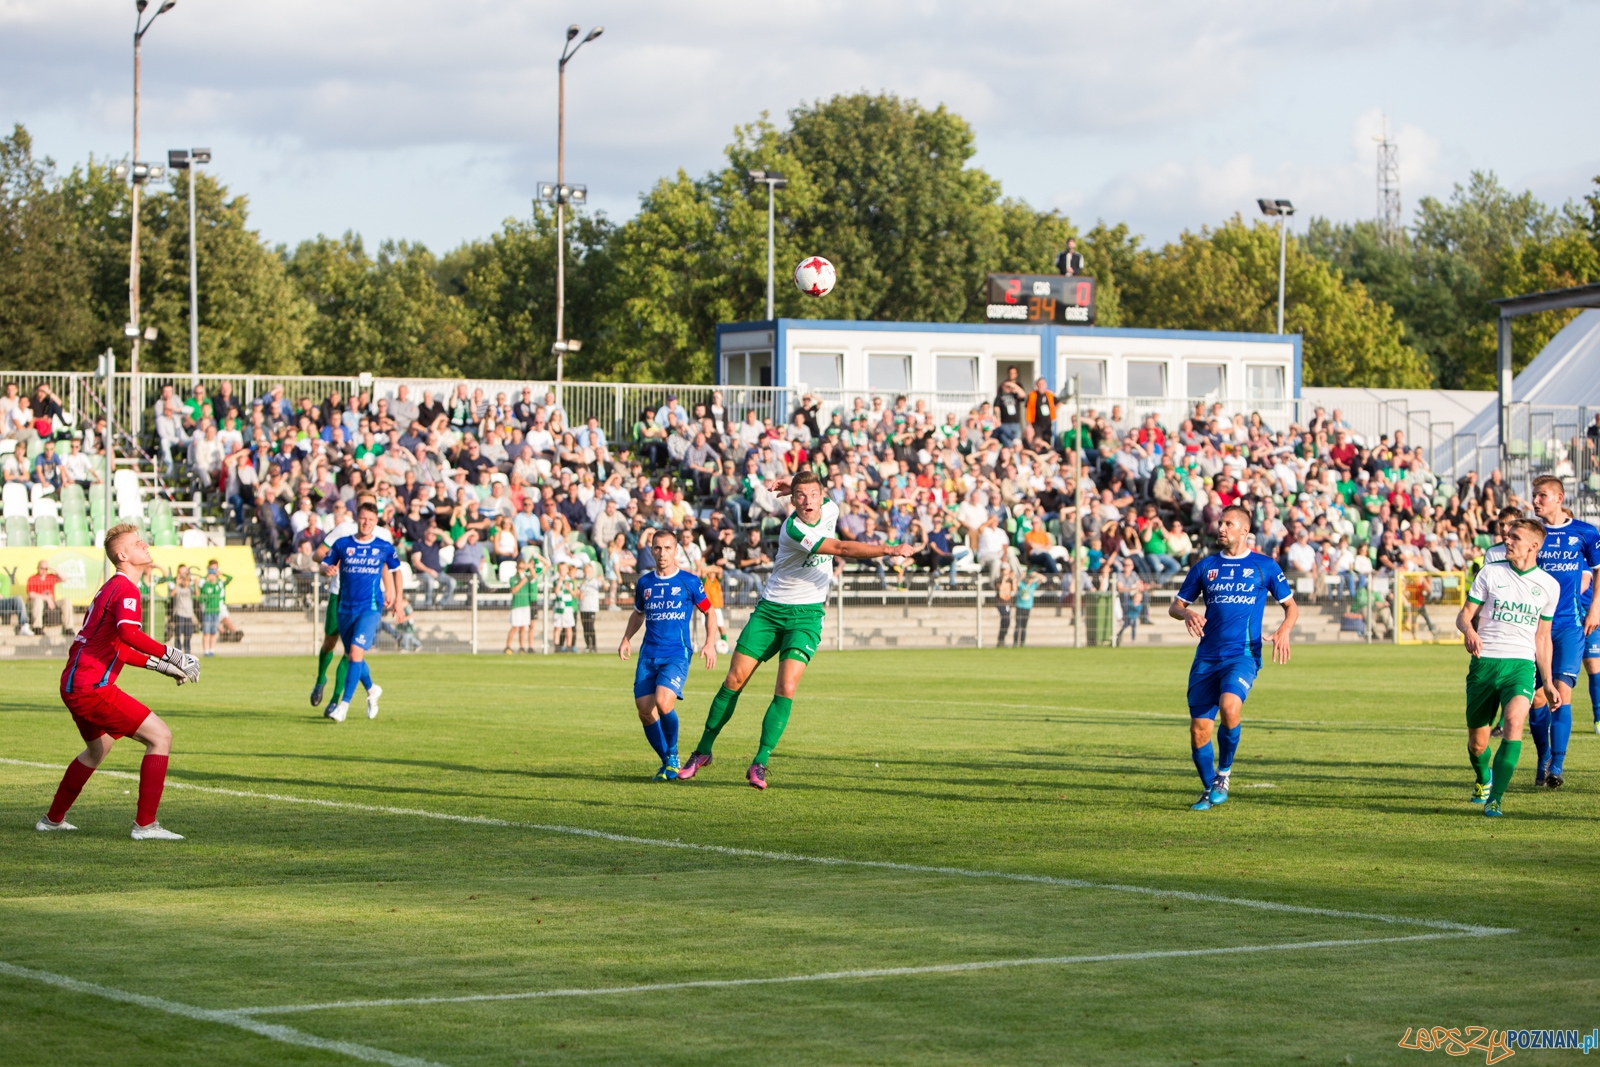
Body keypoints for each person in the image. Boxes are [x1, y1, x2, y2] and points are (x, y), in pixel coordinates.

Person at [675, 469, 915, 790]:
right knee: (734, 680)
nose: (807, 501)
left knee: (786, 686)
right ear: (793, 501)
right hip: (772, 610)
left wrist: (794, 485)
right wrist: (889, 549)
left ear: (821, 495)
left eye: (812, 495)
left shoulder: (830, 508)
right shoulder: (794, 529)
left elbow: (820, 499)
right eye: (800, 496)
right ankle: (702, 751)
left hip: (807, 615)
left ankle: (760, 762)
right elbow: (842, 549)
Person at [37, 522, 198, 840]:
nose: (145, 545)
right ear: (122, 555)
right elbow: (128, 635)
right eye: (138, 543)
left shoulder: (112, 587)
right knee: (160, 737)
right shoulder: (125, 588)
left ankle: (52, 820)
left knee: (97, 750)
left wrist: (162, 667)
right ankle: (145, 826)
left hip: (74, 684)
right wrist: (173, 655)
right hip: (91, 688)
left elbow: (116, 647)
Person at [1169, 505, 1297, 811]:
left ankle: (1223, 773)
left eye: (1228, 524)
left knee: (1229, 707)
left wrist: (1284, 630)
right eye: (1220, 523)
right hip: (1206, 657)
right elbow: (1175, 605)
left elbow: (1291, 607)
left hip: (1243, 654)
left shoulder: (1264, 566)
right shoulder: (1205, 566)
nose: (1221, 528)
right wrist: (1186, 612)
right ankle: (1208, 786)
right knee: (1199, 728)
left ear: (1244, 530)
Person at [1455, 517, 1561, 816]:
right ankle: (1483, 778)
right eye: (1508, 535)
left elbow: (1543, 637)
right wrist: (1470, 631)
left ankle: (1496, 799)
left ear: (1534, 545)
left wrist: (1549, 682)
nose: (1508, 540)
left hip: (1521, 665)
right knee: (1478, 743)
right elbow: (1464, 615)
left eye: (1514, 537)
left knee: (1515, 721)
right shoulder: (1490, 572)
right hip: (1485, 663)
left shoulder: (1549, 586)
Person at [618, 529, 719, 781]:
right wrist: (626, 638)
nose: (662, 553)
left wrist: (710, 643)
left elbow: (710, 612)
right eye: (657, 548)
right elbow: (639, 613)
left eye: (667, 548)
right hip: (648, 654)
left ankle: (673, 755)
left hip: (676, 653)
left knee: (664, 703)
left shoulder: (689, 580)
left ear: (676, 551)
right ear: (651, 550)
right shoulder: (645, 583)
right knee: (644, 709)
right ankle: (667, 762)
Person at [1524, 477, 1600, 787]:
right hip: (1535, 627)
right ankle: (1543, 757)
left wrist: (1595, 608)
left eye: (1542, 495)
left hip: (1569, 626)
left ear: (1559, 497)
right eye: (1534, 496)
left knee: (1561, 696)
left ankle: (1557, 765)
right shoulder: (1531, 534)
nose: (1536, 501)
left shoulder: (1585, 532)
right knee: (1537, 699)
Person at [310, 493, 394, 709]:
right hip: (340, 594)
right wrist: (329, 564)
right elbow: (318, 553)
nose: (367, 517)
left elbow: (386, 565)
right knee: (330, 642)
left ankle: (335, 701)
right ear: (357, 509)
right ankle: (321, 679)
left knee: (352, 652)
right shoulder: (344, 531)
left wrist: (392, 592)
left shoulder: (383, 534)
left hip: (367, 598)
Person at [27, 561, 75, 635]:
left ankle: (68, 628)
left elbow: (65, 578)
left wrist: (53, 569)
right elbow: (31, 594)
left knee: (66, 601)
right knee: (38, 600)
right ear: (38, 568)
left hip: (51, 603)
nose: (44, 571)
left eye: (46, 569)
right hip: (37, 603)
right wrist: (46, 598)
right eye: (42, 568)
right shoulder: (32, 578)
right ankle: (37, 627)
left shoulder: (50, 577)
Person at [505, 558, 537, 654]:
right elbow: (514, 590)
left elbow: (534, 576)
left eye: (523, 568)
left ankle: (522, 647)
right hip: (516, 605)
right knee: (515, 627)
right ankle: (508, 646)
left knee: (523, 627)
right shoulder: (513, 578)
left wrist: (530, 567)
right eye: (520, 567)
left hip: (525, 605)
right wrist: (522, 582)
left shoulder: (527, 577)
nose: (521, 570)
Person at [1015, 571, 1039, 647]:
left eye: (1031, 579)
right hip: (1020, 606)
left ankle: (1022, 642)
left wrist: (1036, 574)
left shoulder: (1033, 585)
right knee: (1018, 625)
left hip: (1027, 607)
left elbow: (1043, 579)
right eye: (1029, 578)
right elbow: (1016, 582)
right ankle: (1015, 642)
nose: (1030, 580)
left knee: (1024, 626)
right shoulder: (1022, 584)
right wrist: (1022, 576)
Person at [994, 565, 1017, 647]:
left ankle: (1001, 638)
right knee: (1006, 619)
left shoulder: (1011, 580)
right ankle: (1001, 638)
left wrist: (1013, 579)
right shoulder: (998, 580)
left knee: (1006, 621)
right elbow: (1000, 591)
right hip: (1000, 603)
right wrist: (1003, 580)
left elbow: (1014, 590)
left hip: (1008, 603)